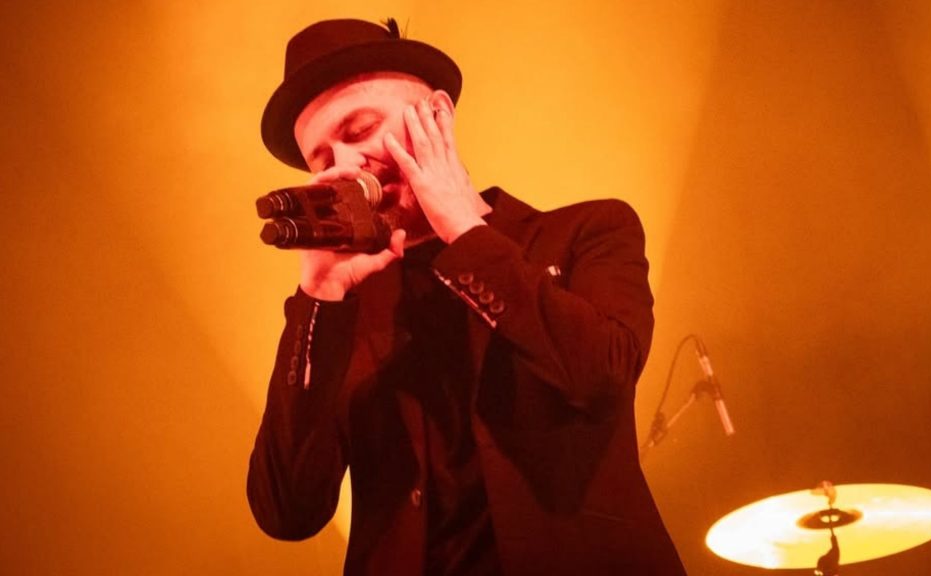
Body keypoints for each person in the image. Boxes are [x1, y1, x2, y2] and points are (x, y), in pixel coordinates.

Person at [247, 18, 687, 576]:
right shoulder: (343, 310)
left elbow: (601, 372)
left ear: (437, 114)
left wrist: (461, 228)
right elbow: (287, 511)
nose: (345, 167)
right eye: (323, 160)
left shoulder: (587, 232)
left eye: (360, 130)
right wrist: (318, 296)